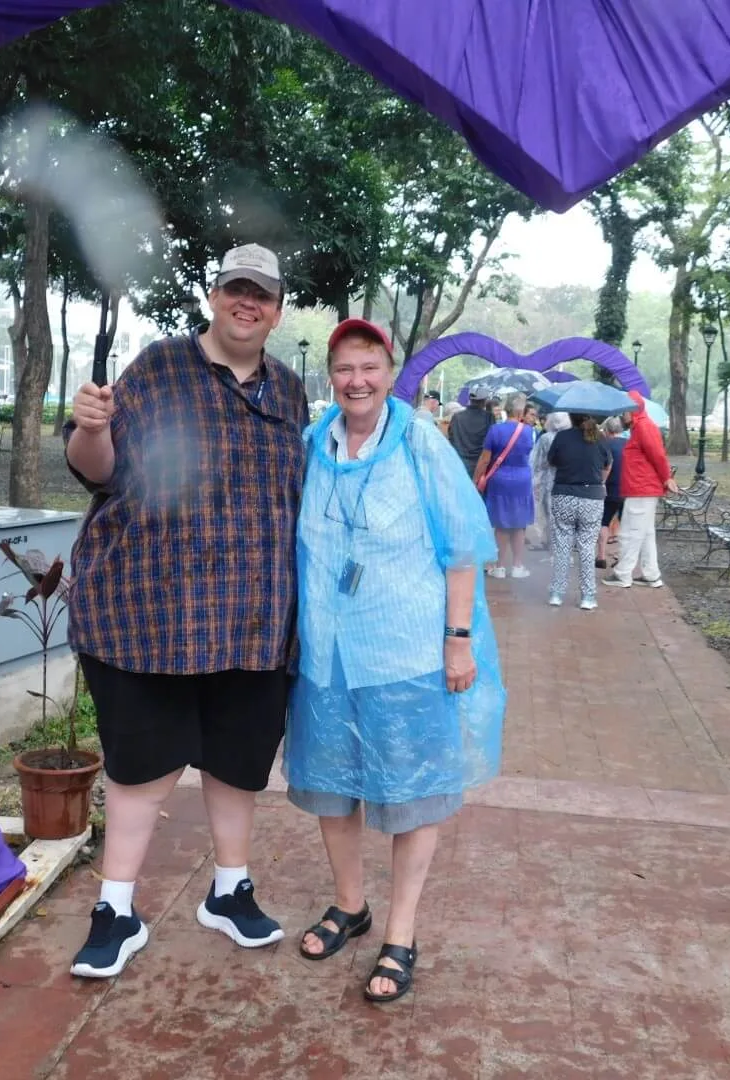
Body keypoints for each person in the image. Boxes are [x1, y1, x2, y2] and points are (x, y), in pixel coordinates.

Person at [62, 243, 309, 978]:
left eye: (261, 295)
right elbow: (95, 473)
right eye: (237, 288)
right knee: (140, 769)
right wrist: (94, 427)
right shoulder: (158, 367)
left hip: (254, 616)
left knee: (238, 765)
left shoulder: (290, 392)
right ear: (213, 294)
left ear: (276, 309)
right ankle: (116, 908)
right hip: (150, 613)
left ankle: (230, 892)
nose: (247, 303)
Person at [287, 318, 504, 1005]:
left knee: (410, 793)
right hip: (326, 651)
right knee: (332, 783)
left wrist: (458, 638)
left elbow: (462, 546)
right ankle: (350, 906)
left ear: (390, 372)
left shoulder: (420, 444)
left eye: (370, 368)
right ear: (331, 375)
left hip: (404, 649)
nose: (357, 381)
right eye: (345, 369)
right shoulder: (312, 444)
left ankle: (401, 933)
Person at [602, 390, 678, 589]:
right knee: (644, 534)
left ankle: (623, 574)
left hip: (641, 489)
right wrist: (664, 478)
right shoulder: (640, 427)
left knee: (630, 532)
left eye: (624, 412)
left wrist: (666, 477)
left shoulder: (644, 427)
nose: (621, 416)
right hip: (642, 488)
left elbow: (658, 456)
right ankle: (651, 574)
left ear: (632, 410)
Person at [547, 413, 610, 610]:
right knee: (587, 547)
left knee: (562, 545)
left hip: (564, 494)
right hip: (592, 497)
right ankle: (588, 596)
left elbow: (552, 461)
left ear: (571, 418)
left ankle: (557, 593)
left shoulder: (562, 437)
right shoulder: (600, 438)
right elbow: (607, 464)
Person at [476, 392, 536, 578]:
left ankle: (500, 566)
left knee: (501, 525)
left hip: (499, 479)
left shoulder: (495, 430)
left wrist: (476, 479)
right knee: (519, 524)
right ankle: (517, 566)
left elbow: (485, 459)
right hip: (522, 480)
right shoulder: (529, 431)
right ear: (521, 411)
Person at [526, 411, 571, 550]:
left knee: (548, 511)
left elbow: (535, 461)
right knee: (562, 513)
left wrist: (533, 479)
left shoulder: (545, 438)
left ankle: (550, 543)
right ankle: (561, 545)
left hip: (548, 479)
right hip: (566, 478)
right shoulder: (570, 437)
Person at [595, 415, 625, 569]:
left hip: (608, 489)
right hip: (627, 490)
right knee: (625, 525)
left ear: (607, 430)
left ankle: (601, 556)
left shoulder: (603, 444)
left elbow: (601, 467)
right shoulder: (629, 444)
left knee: (603, 522)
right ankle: (622, 557)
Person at [447, 386, 493, 476]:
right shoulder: (488, 417)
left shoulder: (457, 417)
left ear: (470, 399)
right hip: (479, 465)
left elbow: (451, 437)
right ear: (484, 401)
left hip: (459, 463)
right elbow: (492, 440)